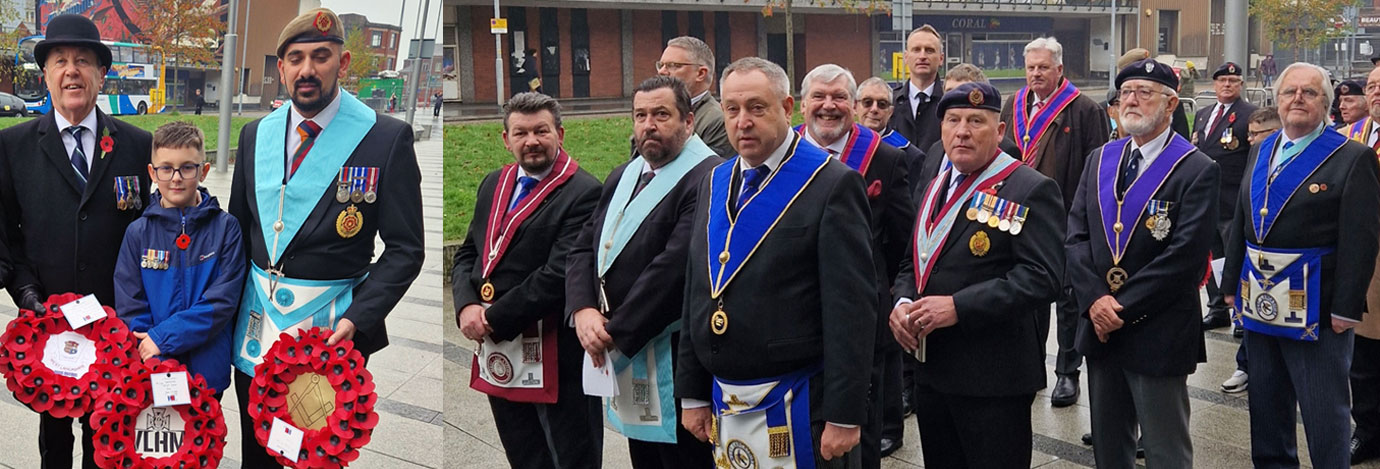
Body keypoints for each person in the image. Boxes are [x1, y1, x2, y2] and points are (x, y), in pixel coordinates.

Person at [227, 8, 424, 466]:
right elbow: (238, 230)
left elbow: (406, 249)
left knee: (312, 460)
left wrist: (360, 318)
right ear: (281, 68)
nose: (307, 70)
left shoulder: (384, 138)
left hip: (332, 331)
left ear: (344, 61)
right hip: (257, 325)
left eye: (321, 56)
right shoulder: (256, 134)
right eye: (295, 59)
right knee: (256, 454)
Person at [677, 57, 875, 468]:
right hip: (725, 399)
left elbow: (851, 309)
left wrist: (845, 413)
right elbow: (699, 289)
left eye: (756, 107)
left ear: (786, 108)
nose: (742, 121)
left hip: (803, 402)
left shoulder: (831, 184)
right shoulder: (714, 180)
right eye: (731, 109)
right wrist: (692, 392)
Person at [0, 14, 153, 469]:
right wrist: (28, 296)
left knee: (109, 436)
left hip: (119, 326)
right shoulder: (13, 147)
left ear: (101, 74)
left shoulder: (137, 145)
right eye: (60, 60)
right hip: (47, 324)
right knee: (54, 436)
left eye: (83, 61)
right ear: (45, 74)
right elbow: (5, 236)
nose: (72, 71)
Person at [889, 81, 1064, 468]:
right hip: (933, 371)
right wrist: (902, 300)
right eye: (953, 120)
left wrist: (958, 307)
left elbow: (1043, 277)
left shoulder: (1030, 188)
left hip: (993, 379)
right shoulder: (934, 182)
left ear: (999, 131)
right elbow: (912, 261)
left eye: (976, 121)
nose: (962, 131)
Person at [1221, 62, 1380, 468]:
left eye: (1309, 93)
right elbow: (1243, 219)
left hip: (1319, 308)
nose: (1298, 99)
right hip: (1260, 302)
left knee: (1324, 414)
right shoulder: (1262, 148)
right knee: (1267, 408)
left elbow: (1361, 240)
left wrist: (1347, 308)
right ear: (1277, 100)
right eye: (1290, 92)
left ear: (1325, 103)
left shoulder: (1352, 157)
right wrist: (1229, 284)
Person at [1068, 58, 1219, 469]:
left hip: (1158, 329)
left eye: (1144, 93)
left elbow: (1185, 258)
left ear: (1171, 105)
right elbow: (1076, 237)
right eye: (1126, 93)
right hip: (1101, 329)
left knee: (1165, 447)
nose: (1131, 101)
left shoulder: (1196, 168)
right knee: (1109, 446)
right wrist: (1095, 301)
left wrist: (1120, 307)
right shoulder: (1101, 158)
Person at [566, 76, 720, 469]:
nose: (648, 124)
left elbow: (672, 269)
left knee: (683, 458)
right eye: (640, 115)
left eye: (661, 115)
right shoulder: (625, 174)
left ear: (688, 121)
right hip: (619, 339)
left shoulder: (708, 176)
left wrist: (612, 334)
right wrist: (582, 308)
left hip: (673, 349)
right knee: (644, 456)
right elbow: (585, 243)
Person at [453, 91, 603, 469]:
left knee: (570, 455)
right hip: (500, 351)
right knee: (523, 453)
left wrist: (491, 319)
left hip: (555, 352)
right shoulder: (494, 182)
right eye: (520, 133)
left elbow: (558, 274)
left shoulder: (583, 191)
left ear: (560, 134)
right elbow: (469, 252)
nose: (531, 141)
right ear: (506, 139)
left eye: (541, 131)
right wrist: (466, 304)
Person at [796, 64, 915, 469]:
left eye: (839, 97)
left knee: (859, 435)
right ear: (802, 104)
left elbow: (902, 239)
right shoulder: (786, 152)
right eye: (819, 96)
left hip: (861, 316)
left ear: (852, 104)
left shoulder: (885, 158)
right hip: (792, 315)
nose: (828, 106)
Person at [1000, 36, 1110, 407]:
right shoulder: (1011, 105)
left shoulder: (1084, 110)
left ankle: (1067, 372)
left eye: (1043, 67)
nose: (1035, 74)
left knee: (1067, 298)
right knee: (1025, 293)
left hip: (1063, 217)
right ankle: (1029, 366)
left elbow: (1096, 171)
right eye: (1030, 67)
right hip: (1016, 218)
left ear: (1059, 69)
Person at [114, 121, 245, 397]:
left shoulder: (226, 229)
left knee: (204, 440)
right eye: (166, 168)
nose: (176, 177)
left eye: (187, 167)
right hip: (155, 368)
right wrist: (156, 357)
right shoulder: (138, 233)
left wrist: (163, 338)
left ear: (204, 171)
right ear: (152, 172)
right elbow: (130, 303)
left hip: (206, 373)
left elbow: (222, 302)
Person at [1218, 107, 1282, 395]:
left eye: (1258, 134)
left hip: (1288, 260)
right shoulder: (1257, 156)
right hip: (1252, 255)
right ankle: (1245, 366)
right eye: (1250, 134)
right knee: (1251, 320)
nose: (1251, 140)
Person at [1194, 62, 1258, 333]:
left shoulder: (1250, 115)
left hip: (1234, 200)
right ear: (1214, 84)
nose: (1227, 85)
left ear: (1241, 84)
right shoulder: (1203, 114)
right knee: (1212, 257)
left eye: (1233, 80)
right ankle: (1217, 308)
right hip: (1208, 200)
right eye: (1222, 80)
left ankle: (1242, 313)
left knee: (1237, 257)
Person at [913, 65, 1022, 191]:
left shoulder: (1006, 151)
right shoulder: (935, 150)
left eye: (976, 121)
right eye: (950, 92)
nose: (957, 98)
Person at [1352, 64, 1380, 465]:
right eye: (1372, 86)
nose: (1376, 93)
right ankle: (1368, 431)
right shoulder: (1350, 137)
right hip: (1363, 267)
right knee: (1362, 362)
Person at [656, 36, 732, 157]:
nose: (662, 72)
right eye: (661, 65)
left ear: (701, 73)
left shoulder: (717, 121)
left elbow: (707, 171)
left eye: (673, 65)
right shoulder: (651, 114)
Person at [856, 76, 926, 191]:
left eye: (882, 104)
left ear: (890, 112)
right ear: (855, 107)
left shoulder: (910, 155)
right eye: (867, 102)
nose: (874, 109)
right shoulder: (842, 143)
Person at [890, 25, 945, 153]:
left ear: (941, 59)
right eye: (916, 50)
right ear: (906, 57)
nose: (922, 56)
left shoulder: (949, 104)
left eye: (929, 50)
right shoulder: (889, 103)